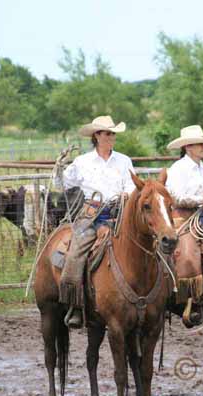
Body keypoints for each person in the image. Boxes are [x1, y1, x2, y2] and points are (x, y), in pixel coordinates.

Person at [56, 115, 136, 329]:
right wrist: (60, 168)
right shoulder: (82, 162)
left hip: (120, 214)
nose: (111, 137)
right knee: (75, 253)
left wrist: (126, 195)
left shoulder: (124, 160)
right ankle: (75, 305)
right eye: (107, 133)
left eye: (113, 134)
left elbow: (131, 186)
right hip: (91, 215)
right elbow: (62, 183)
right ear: (96, 136)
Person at [165, 125, 203, 327]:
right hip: (184, 218)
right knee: (189, 254)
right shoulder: (177, 169)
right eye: (201, 144)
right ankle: (191, 303)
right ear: (189, 146)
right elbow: (177, 197)